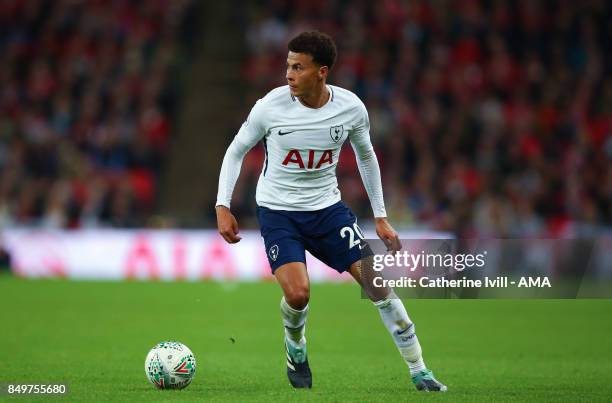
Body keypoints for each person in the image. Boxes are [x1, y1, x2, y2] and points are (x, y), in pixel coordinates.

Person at [215, 31, 446, 392]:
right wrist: (222, 205)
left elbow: (367, 156)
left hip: (328, 211)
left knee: (378, 286)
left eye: (298, 67)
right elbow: (235, 150)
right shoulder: (269, 107)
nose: (288, 74)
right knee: (298, 295)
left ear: (321, 72)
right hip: (279, 212)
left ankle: (420, 370)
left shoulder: (351, 108)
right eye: (287, 65)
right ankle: (296, 348)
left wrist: (381, 216)